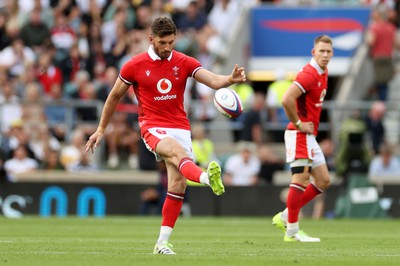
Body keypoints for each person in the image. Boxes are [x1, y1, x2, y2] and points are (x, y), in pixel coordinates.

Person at [85, 17, 246, 255]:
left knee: (178, 184)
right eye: (163, 42)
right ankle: (205, 178)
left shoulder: (184, 61)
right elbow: (114, 96)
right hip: (152, 126)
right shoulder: (134, 65)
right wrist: (100, 129)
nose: (168, 47)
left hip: (180, 126)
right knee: (177, 153)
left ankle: (162, 243)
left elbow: (213, 80)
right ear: (151, 39)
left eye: (171, 42)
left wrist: (229, 80)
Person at [271, 35, 333, 242]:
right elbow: (286, 99)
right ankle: (292, 231)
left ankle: (286, 216)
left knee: (323, 180)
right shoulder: (308, 74)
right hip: (299, 133)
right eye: (321, 51)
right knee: (301, 179)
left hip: (309, 136)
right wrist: (298, 123)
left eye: (328, 51)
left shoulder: (324, 73)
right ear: (313, 52)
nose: (325, 55)